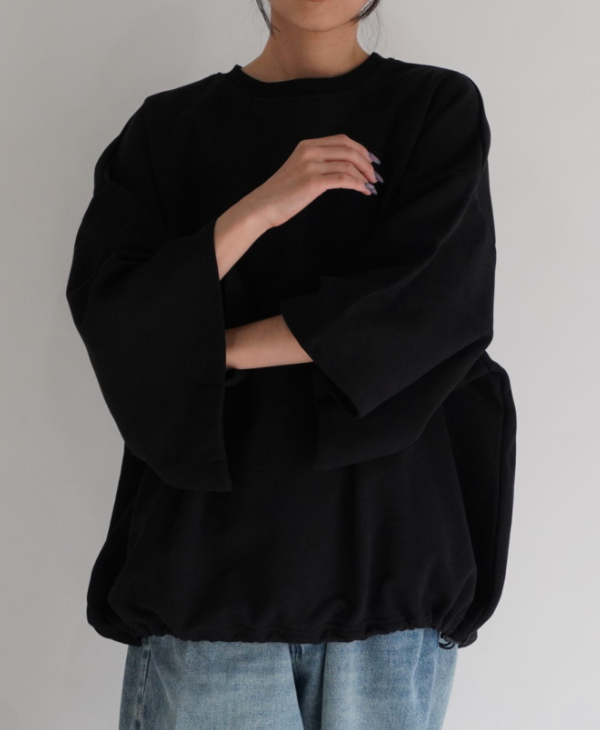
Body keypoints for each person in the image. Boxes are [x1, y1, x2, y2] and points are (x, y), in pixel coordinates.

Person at [65, 1, 517, 728]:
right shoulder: (167, 131)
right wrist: (258, 210)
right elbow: (116, 315)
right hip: (209, 574)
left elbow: (430, 309)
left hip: (388, 564)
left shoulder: (435, 108)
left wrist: (208, 348)